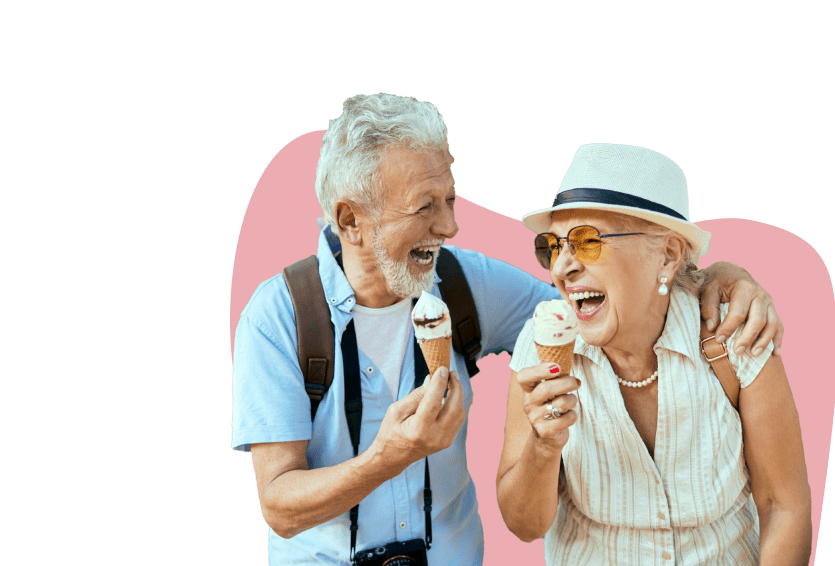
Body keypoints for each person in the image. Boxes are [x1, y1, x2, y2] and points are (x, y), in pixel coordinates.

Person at [231, 95, 783, 565]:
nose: (449, 226)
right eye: (425, 207)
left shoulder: (465, 283)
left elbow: (598, 301)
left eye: (450, 199)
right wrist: (390, 455)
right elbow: (279, 505)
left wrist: (720, 276)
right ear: (349, 219)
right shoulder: (280, 317)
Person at [496, 144, 811, 565]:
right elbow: (524, 526)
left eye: (587, 241)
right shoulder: (543, 344)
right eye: (552, 246)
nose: (561, 267)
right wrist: (543, 446)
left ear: (666, 255)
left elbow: (783, 507)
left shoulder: (734, 331)